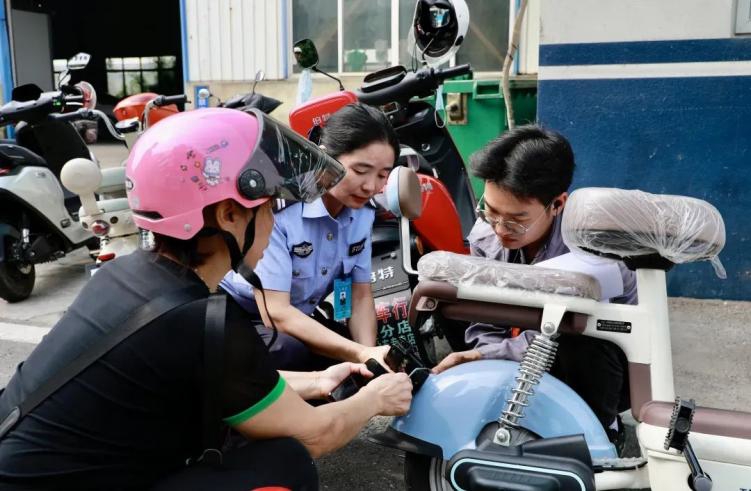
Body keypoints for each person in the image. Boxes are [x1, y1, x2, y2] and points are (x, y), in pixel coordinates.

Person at [0, 108, 412, 490]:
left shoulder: (125, 275)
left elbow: (217, 379)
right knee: (287, 464)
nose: (274, 221)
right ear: (229, 216)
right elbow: (316, 435)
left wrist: (318, 381)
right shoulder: (203, 320)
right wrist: (374, 399)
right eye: (268, 207)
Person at [432, 125, 637, 436]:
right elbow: (484, 322)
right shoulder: (486, 235)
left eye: (517, 220)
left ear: (557, 204)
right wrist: (488, 369)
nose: (500, 229)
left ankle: (603, 430)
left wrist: (488, 355)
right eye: (491, 211)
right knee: (448, 294)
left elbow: (565, 331)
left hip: (601, 362)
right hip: (529, 343)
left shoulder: (593, 249)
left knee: (582, 341)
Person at [222, 103, 399, 371]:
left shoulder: (363, 213)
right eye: (360, 171)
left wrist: (371, 359)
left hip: (295, 317)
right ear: (324, 158)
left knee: (348, 358)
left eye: (382, 175)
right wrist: (360, 353)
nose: (370, 186)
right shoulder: (279, 211)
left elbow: (360, 295)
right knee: (289, 351)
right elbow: (277, 314)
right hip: (238, 315)